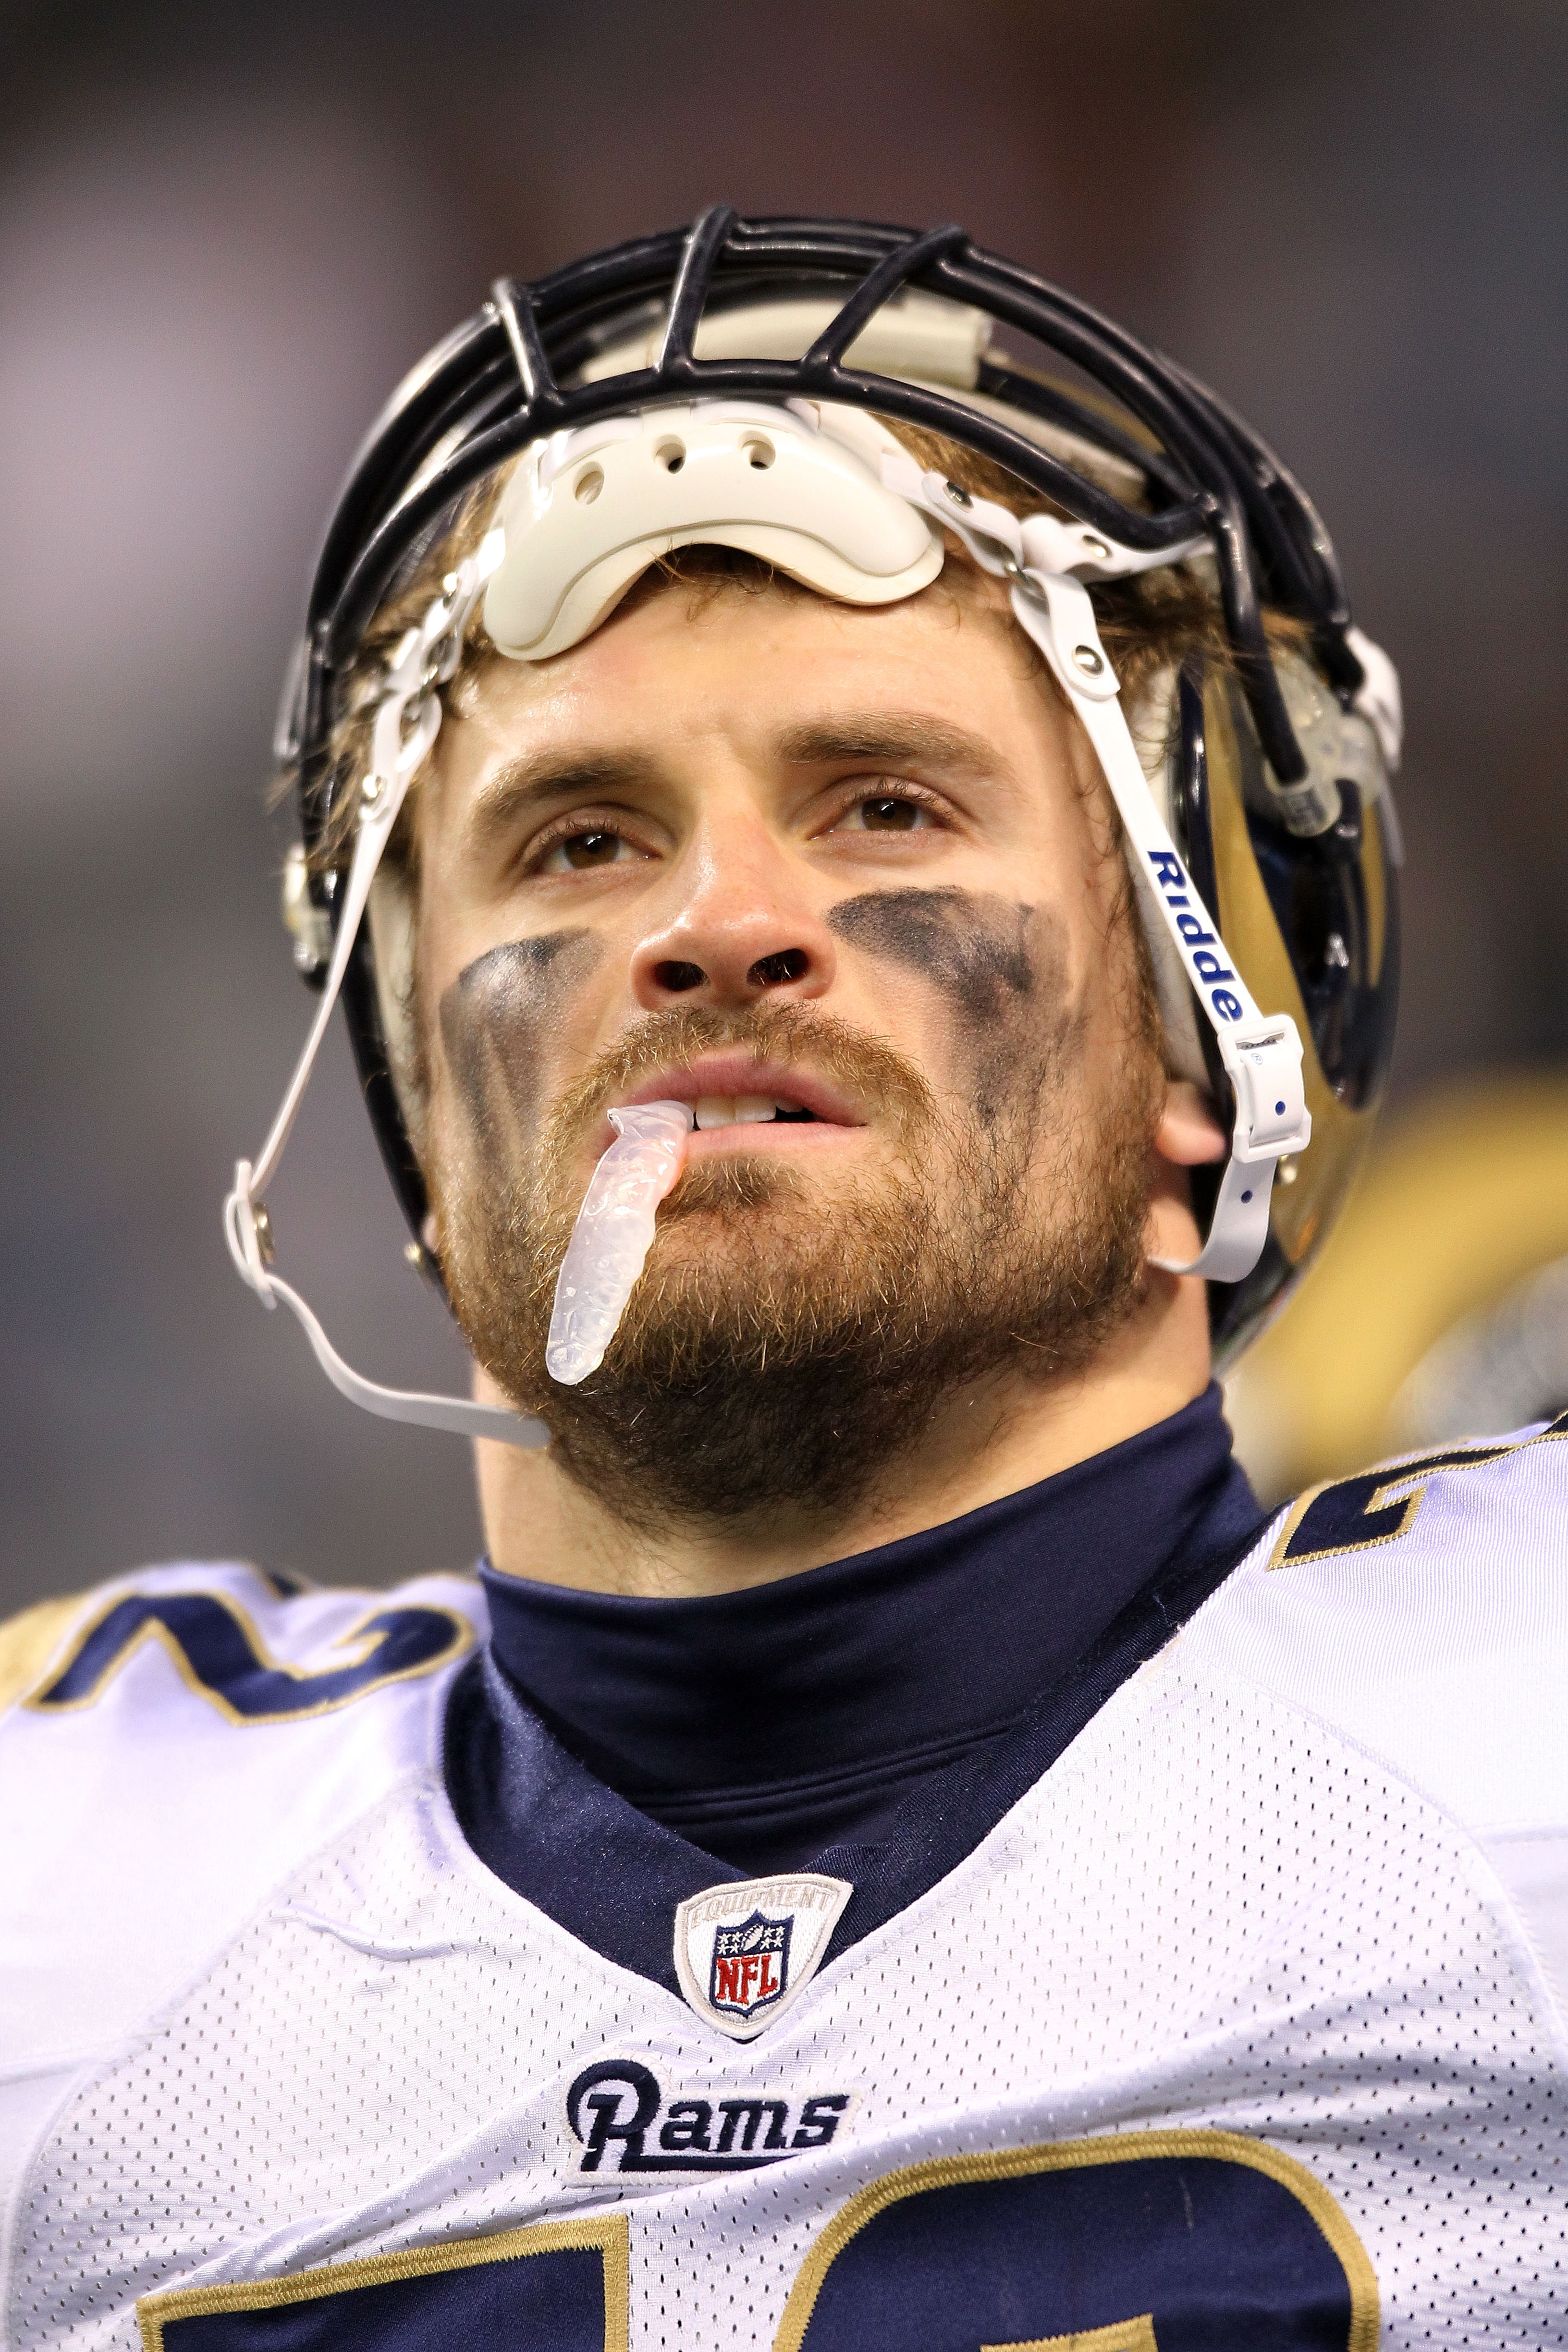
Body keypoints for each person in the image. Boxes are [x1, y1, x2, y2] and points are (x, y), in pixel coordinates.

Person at [2, 212, 1563, 2351]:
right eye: (577, 840)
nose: (722, 924)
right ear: (416, 1115)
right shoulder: (65, 1884)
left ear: (1205, 1055)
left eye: (888, 809)